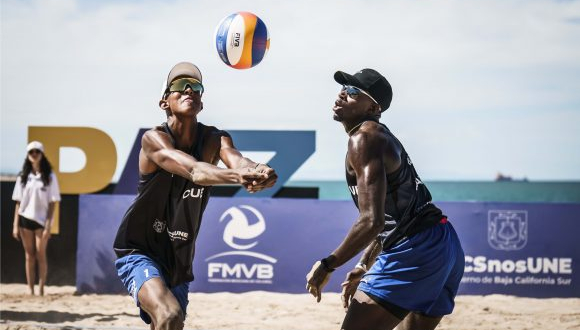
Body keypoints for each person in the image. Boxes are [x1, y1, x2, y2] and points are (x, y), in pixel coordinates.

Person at [113, 61, 277, 330]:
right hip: (139, 249)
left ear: (201, 103)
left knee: (167, 323)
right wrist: (239, 176)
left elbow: (237, 161)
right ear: (164, 102)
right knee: (169, 315)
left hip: (179, 258)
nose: (189, 90)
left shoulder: (215, 139)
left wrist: (259, 170)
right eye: (180, 86)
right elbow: (195, 171)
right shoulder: (153, 139)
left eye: (196, 87)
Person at [306, 69, 464, 330]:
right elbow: (392, 217)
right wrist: (363, 265)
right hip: (444, 244)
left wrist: (327, 265)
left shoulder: (365, 139)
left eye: (354, 91)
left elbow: (372, 221)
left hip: (418, 249)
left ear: (374, 107)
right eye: (344, 87)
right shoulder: (378, 137)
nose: (343, 93)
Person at [11, 141, 61, 296]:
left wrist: (48, 225)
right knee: (29, 255)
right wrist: (15, 225)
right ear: (27, 155)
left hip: (41, 220)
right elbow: (18, 202)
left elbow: (53, 203)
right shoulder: (23, 176)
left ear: (41, 154)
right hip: (25, 219)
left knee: (41, 254)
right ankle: (30, 289)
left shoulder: (50, 176)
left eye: (36, 152)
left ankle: (41, 288)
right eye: (31, 152)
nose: (34, 154)